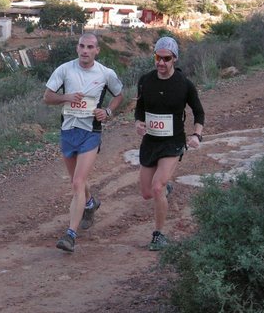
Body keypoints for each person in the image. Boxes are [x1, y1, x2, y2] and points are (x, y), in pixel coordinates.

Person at [44, 33, 124, 252]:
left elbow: (119, 95)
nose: (85, 50)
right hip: (68, 131)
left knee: (78, 182)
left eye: (90, 47)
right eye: (82, 46)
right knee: (76, 181)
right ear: (77, 48)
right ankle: (90, 203)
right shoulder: (64, 69)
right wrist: (66, 97)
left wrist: (107, 111)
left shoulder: (106, 73)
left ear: (97, 50)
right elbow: (47, 97)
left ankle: (70, 235)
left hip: (91, 132)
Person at [134, 36, 204, 251]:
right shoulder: (146, 80)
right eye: (158, 57)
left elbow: (199, 112)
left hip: (173, 142)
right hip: (151, 141)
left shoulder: (184, 84)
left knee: (157, 187)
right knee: (147, 193)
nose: (161, 63)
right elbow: (140, 108)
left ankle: (159, 235)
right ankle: (165, 188)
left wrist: (196, 135)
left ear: (174, 59)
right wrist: (138, 123)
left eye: (166, 58)